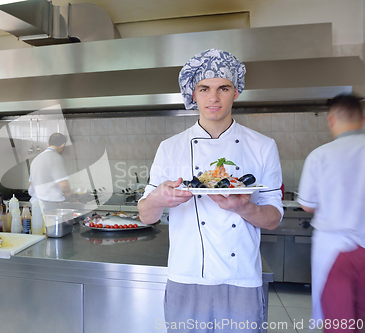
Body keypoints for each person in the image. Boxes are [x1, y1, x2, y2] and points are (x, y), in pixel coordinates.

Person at [138, 49, 283, 332]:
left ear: (236, 92)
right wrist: (159, 198)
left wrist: (243, 207)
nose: (213, 98)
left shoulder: (263, 146)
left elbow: (274, 218)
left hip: (241, 278)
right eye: (204, 89)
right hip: (186, 277)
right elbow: (146, 216)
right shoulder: (170, 148)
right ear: (193, 94)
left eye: (223, 88)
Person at [298, 94, 365, 331]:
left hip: (331, 246)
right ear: (362, 120)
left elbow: (307, 205)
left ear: (331, 120)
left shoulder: (320, 155)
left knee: (336, 315)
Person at [29, 133, 71, 212]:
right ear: (63, 145)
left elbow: (30, 183)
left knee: (37, 224)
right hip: (48, 205)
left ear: (48, 144)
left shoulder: (37, 158)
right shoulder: (55, 157)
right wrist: (69, 192)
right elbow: (64, 185)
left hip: (35, 204)